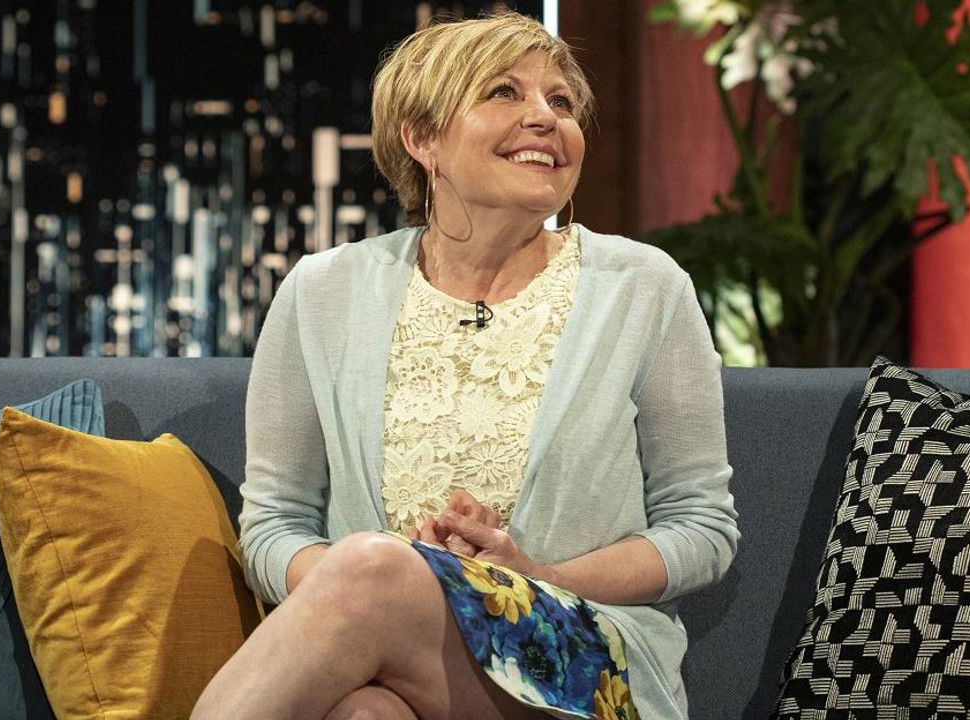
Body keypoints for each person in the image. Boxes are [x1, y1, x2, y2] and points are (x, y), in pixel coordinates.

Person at [191, 12, 739, 720]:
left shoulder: (643, 286)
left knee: (376, 569)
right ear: (422, 138)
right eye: (504, 92)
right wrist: (387, 592)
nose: (545, 117)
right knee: (366, 713)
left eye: (561, 101)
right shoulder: (321, 292)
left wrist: (532, 576)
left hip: (583, 664)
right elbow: (274, 528)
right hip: (397, 662)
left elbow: (700, 529)